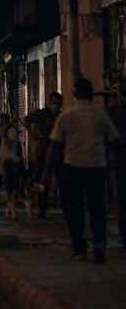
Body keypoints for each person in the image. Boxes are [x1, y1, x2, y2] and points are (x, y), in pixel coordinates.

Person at [42, 77, 120, 264]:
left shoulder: (66, 116)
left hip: (73, 167)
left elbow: (55, 147)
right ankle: (99, 245)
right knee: (97, 208)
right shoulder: (100, 115)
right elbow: (115, 140)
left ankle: (79, 248)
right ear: (91, 94)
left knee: (74, 209)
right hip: (97, 168)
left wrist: (46, 173)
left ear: (74, 93)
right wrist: (113, 165)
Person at [25, 92, 63, 220]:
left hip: (59, 150)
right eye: (53, 102)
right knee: (43, 179)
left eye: (57, 103)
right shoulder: (42, 113)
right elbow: (27, 120)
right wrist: (32, 134)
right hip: (43, 150)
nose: (55, 105)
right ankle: (42, 209)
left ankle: (63, 207)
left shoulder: (61, 116)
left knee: (61, 179)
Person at [107, 82, 126, 251]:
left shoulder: (115, 113)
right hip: (118, 162)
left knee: (121, 201)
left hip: (118, 163)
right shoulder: (115, 112)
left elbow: (111, 138)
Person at [0, 113, 24, 220]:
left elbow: (9, 145)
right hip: (5, 160)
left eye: (1, 123)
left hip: (11, 160)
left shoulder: (11, 131)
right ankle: (10, 208)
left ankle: (11, 207)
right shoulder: (5, 131)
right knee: (8, 185)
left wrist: (3, 134)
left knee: (12, 185)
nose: (0, 125)